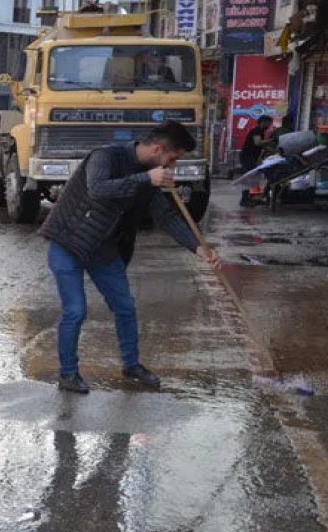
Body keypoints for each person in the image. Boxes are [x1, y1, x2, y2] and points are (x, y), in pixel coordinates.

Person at [40, 121, 219, 393]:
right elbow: (98, 188)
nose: (170, 167)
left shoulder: (151, 176)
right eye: (172, 159)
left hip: (104, 249)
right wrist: (145, 179)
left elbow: (167, 218)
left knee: (125, 306)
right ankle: (68, 374)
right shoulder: (106, 156)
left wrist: (198, 248)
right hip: (68, 243)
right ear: (158, 149)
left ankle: (131, 365)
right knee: (75, 311)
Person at [239, 115, 274, 207]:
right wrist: (271, 140)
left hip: (252, 157)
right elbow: (257, 143)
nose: (270, 125)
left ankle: (253, 198)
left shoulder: (261, 131)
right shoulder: (257, 130)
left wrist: (271, 150)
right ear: (263, 122)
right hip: (247, 157)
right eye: (269, 123)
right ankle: (245, 200)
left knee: (255, 178)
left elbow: (260, 145)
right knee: (250, 178)